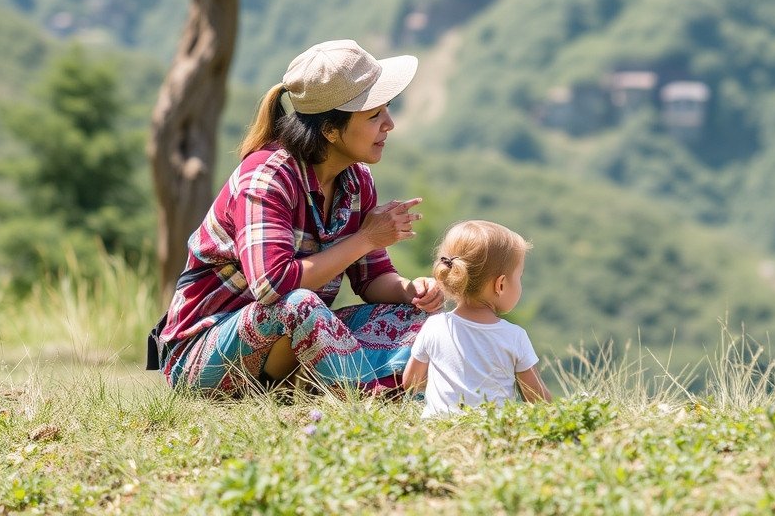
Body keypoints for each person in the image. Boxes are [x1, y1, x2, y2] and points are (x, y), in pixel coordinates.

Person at [154, 39, 445, 396]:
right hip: (201, 353)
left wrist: (411, 291)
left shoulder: (356, 181)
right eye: (374, 115)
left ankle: (335, 388)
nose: (390, 124)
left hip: (288, 343)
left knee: (421, 321)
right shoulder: (266, 179)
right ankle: (368, 396)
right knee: (299, 305)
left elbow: (371, 278)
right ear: (330, 130)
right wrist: (366, 238)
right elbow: (273, 286)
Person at [402, 220, 551, 417]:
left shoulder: (434, 325)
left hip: (436, 430)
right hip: (491, 433)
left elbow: (411, 383)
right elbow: (538, 400)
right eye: (519, 277)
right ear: (501, 285)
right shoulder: (515, 337)